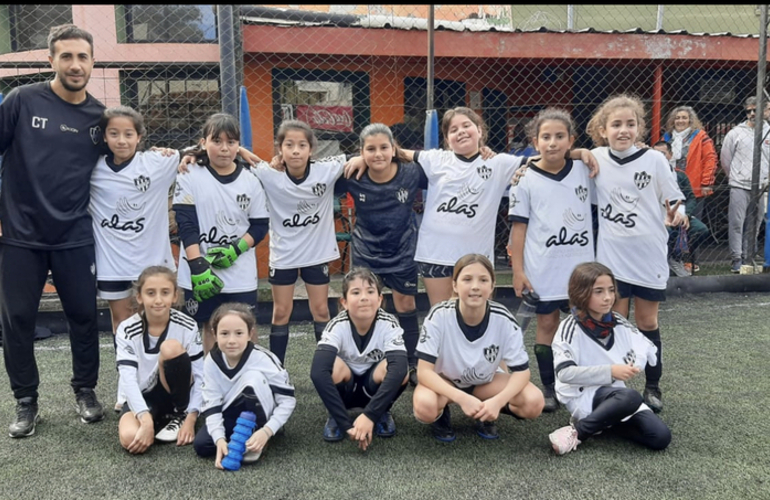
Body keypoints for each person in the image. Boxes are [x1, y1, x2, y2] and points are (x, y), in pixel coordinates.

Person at [346, 107, 598, 308]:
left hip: (476, 256)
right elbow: (393, 152)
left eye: (467, 126)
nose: (461, 131)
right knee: (440, 314)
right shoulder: (436, 159)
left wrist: (578, 153)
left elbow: (543, 158)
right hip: (435, 254)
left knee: (478, 314)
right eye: (453, 129)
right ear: (446, 139)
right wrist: (360, 157)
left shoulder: (500, 163)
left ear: (480, 131)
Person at [0, 24, 107, 438]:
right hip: (21, 236)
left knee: (83, 316)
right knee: (19, 320)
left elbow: (127, 161)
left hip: (75, 236)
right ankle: (26, 401)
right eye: (67, 56)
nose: (75, 64)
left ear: (93, 62)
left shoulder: (100, 117)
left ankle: (85, 390)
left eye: (82, 57)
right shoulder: (22, 100)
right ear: (51, 61)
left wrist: (181, 160)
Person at [586, 94, 688, 413]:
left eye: (630, 124)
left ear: (640, 128)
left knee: (646, 322)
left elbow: (674, 198)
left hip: (649, 256)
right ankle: (610, 386)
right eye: (616, 124)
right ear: (603, 129)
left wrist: (679, 212)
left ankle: (653, 386)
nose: (623, 130)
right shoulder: (594, 158)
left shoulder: (655, 160)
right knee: (613, 322)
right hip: (612, 261)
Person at [89, 106, 179, 410]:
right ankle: (126, 383)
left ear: (140, 137)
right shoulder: (93, 169)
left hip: (151, 264)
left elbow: (195, 154)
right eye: (114, 133)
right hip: (113, 262)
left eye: (128, 134)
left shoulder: (159, 162)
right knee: (122, 323)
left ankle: (156, 378)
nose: (121, 140)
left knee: (157, 320)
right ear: (104, 136)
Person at [508, 108, 595, 413]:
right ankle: (549, 387)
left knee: (585, 325)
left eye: (560, 136)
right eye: (546, 137)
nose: (553, 143)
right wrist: (518, 271)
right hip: (543, 269)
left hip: (581, 271)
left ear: (572, 140)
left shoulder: (586, 170)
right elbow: (518, 230)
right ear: (535, 141)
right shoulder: (524, 179)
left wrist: (585, 153)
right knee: (546, 324)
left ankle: (582, 384)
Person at [413, 254, 544, 442]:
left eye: (483, 280)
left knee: (533, 402)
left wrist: (497, 402)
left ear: (492, 286)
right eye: (467, 279)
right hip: (447, 382)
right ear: (455, 285)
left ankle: (485, 411)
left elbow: (522, 373)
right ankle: (442, 415)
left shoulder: (504, 319)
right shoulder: (439, 316)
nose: (475, 286)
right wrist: (461, 398)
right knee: (425, 407)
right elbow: (424, 372)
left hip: (485, 383)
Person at [547, 262, 672, 455]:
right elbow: (564, 373)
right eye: (598, 291)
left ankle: (604, 422)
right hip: (583, 395)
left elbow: (646, 347)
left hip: (616, 395)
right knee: (630, 396)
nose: (607, 298)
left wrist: (635, 363)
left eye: (611, 290)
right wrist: (611, 372)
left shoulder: (618, 321)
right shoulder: (569, 328)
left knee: (660, 437)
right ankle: (577, 432)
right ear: (581, 293)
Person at [336, 123, 426, 386]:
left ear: (393, 148)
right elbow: (314, 172)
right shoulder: (353, 173)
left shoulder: (411, 173)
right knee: (366, 307)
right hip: (366, 253)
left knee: (405, 305)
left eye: (384, 147)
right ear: (362, 152)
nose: (378, 154)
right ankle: (365, 360)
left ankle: (412, 361)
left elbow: (447, 167)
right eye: (370, 149)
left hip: (402, 250)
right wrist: (351, 159)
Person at [172, 113, 269, 352]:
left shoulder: (251, 179)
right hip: (200, 271)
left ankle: (247, 382)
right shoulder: (190, 173)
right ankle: (211, 384)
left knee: (245, 327)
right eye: (217, 141)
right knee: (209, 327)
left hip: (240, 274)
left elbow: (259, 226)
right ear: (204, 143)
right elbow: (186, 223)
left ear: (239, 145)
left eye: (231, 142)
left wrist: (236, 249)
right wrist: (197, 265)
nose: (224, 148)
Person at [252, 120, 346, 364]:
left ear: (311, 149)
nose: (296, 150)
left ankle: (327, 368)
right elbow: (243, 157)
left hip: (317, 254)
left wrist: (356, 158)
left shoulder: (326, 170)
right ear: (280, 149)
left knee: (321, 310)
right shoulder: (269, 175)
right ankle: (277, 369)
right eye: (289, 145)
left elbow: (357, 157)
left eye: (302, 145)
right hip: (284, 256)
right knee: (281, 311)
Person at [310, 267, 409, 450]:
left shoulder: (388, 323)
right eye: (356, 292)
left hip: (373, 389)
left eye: (370, 292)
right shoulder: (337, 326)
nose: (364, 297)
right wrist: (345, 424)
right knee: (331, 366)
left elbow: (400, 368)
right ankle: (335, 415)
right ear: (344, 302)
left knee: (399, 371)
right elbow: (318, 372)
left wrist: (370, 415)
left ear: (379, 300)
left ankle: (382, 412)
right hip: (346, 391)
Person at [194, 302, 296, 468]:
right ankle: (239, 439)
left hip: (261, 413)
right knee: (202, 445)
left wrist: (267, 430)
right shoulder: (211, 361)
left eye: (239, 333)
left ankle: (260, 435)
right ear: (215, 334)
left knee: (252, 380)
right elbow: (212, 404)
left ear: (250, 334)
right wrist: (220, 440)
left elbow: (288, 401)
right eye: (224, 333)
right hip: (232, 411)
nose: (231, 340)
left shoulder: (263, 359)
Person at [116, 266, 203, 454]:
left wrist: (191, 418)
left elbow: (201, 375)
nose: (157, 300)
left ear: (174, 296)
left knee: (170, 348)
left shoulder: (188, 326)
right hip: (144, 397)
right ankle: (156, 420)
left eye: (165, 293)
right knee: (131, 439)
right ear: (139, 297)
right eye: (150, 293)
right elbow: (128, 379)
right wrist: (144, 419)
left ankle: (179, 414)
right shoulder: (126, 329)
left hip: (176, 395)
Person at [720, 96, 770, 273]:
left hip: (762, 185)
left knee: (755, 223)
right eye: (748, 111)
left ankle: (749, 255)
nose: (752, 114)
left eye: (755, 110)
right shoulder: (735, 133)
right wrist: (734, 176)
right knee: (736, 222)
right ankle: (736, 259)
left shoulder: (769, 131)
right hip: (740, 184)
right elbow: (726, 158)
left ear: (764, 111)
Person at [652, 141, 710, 276]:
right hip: (659, 215)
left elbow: (690, 198)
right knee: (668, 230)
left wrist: (686, 215)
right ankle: (663, 260)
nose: (659, 157)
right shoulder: (649, 175)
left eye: (663, 153)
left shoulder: (680, 176)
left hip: (681, 213)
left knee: (701, 229)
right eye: (656, 154)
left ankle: (677, 257)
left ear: (670, 155)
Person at [661, 106, 718, 219]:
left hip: (693, 187)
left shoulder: (700, 136)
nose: (680, 121)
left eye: (684, 118)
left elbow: (710, 159)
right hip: (670, 186)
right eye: (677, 118)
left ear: (690, 120)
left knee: (692, 221)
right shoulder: (666, 137)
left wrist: (706, 183)